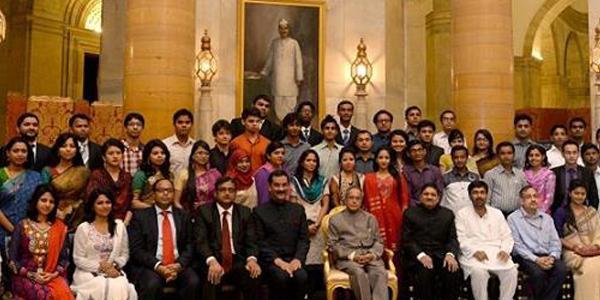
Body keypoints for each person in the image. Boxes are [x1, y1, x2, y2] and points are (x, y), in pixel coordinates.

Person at [127, 178, 200, 300]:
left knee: (193, 281)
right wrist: (158, 266)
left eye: (169, 191)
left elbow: (190, 244)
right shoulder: (140, 216)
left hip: (178, 265)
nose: (165, 194)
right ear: (153, 194)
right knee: (152, 284)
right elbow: (136, 250)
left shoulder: (184, 216)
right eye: (161, 191)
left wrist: (179, 264)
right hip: (151, 266)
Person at [195, 177, 261, 300]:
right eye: (223, 190)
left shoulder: (245, 212)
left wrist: (252, 259)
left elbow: (251, 241)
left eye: (231, 190)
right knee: (211, 276)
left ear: (235, 193)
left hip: (238, 260)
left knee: (253, 274)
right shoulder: (204, 211)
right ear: (215, 193)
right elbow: (201, 242)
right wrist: (212, 261)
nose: (227, 193)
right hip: (214, 258)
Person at [455, 181, 518, 300]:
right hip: (473, 255)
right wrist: (474, 251)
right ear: (469, 196)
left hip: (496, 253)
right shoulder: (461, 214)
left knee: (511, 271)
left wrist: (505, 250)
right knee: (479, 272)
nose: (479, 196)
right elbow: (460, 238)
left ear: (487, 195)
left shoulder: (497, 213)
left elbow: (507, 236)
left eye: (482, 192)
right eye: (475, 193)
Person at [8, 185, 72, 300]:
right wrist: (30, 274)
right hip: (24, 276)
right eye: (43, 200)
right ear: (35, 201)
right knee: (44, 295)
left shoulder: (60, 228)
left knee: (62, 290)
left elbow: (64, 259)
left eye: (51, 202)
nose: (47, 204)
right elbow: (12, 259)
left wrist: (53, 274)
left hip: (51, 276)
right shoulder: (22, 225)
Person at [71, 189, 137, 300]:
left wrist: (114, 266)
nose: (105, 206)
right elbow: (78, 259)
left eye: (108, 202)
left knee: (121, 285)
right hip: (87, 272)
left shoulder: (119, 227)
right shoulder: (84, 228)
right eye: (100, 203)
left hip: (113, 270)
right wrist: (101, 267)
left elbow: (124, 254)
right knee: (103, 284)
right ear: (93, 206)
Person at [254, 170, 309, 300]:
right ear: (269, 187)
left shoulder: (298, 209)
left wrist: (297, 259)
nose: (281, 189)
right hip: (272, 262)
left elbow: (304, 240)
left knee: (302, 277)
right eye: (277, 185)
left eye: (284, 185)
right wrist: (278, 261)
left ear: (289, 187)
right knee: (281, 277)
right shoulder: (259, 212)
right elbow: (260, 242)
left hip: (294, 259)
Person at [507, 186, 568, 300]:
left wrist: (552, 257)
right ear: (522, 201)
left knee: (561, 269)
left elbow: (555, 242)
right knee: (538, 274)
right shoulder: (513, 218)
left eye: (535, 196)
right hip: (526, 256)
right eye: (528, 197)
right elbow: (517, 246)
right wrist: (537, 260)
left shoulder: (547, 218)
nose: (533, 199)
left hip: (547, 255)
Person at [327, 187, 389, 300]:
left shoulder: (370, 218)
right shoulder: (335, 220)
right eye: (351, 198)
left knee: (380, 272)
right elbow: (333, 245)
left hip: (370, 257)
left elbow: (379, 241)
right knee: (359, 273)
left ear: (361, 201)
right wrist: (352, 256)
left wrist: (372, 254)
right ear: (345, 200)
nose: (354, 201)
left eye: (357, 198)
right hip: (348, 259)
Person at [401, 184, 461, 300]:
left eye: (433, 195)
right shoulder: (410, 213)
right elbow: (407, 240)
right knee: (424, 272)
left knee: (452, 271)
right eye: (426, 194)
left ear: (438, 198)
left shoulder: (447, 214)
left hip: (441, 255)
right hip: (418, 256)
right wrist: (421, 255)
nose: (429, 197)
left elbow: (452, 238)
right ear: (420, 197)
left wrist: (450, 254)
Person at [559, 180, 600, 300]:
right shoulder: (561, 212)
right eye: (576, 193)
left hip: (594, 250)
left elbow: (598, 232)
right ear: (570, 193)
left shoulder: (592, 212)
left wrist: (594, 246)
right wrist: (576, 247)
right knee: (589, 267)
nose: (580, 196)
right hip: (572, 252)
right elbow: (558, 237)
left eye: (583, 194)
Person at [41, 133, 90, 230]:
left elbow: (87, 196)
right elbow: (43, 196)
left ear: (76, 150)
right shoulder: (47, 171)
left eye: (72, 146)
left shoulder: (84, 172)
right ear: (58, 150)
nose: (68, 149)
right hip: (51, 215)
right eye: (64, 146)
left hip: (79, 217)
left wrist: (73, 207)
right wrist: (56, 211)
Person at [0, 137, 42, 250]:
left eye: (24, 151)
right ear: (8, 153)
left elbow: (40, 203)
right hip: (2, 230)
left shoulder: (35, 177)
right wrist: (13, 230)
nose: (20, 154)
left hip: (29, 231)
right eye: (16, 151)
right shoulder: (0, 175)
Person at [363, 146, 409, 251]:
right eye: (380, 157)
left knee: (395, 247)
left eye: (386, 158)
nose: (383, 160)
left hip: (394, 216)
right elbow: (365, 201)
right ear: (376, 159)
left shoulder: (398, 177)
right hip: (374, 216)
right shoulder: (368, 178)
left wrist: (403, 215)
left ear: (391, 160)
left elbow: (404, 198)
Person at [290, 150, 330, 269]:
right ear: (302, 162)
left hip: (319, 223)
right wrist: (305, 226)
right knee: (304, 258)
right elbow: (293, 206)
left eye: (314, 161)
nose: (311, 163)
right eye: (308, 160)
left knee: (319, 259)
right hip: (300, 223)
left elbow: (325, 204)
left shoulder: (322, 181)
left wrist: (317, 224)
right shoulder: (294, 181)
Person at [260, 18, 304, 120]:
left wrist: (299, 76)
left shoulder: (294, 43)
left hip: (291, 79)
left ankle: (288, 122)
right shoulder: (275, 43)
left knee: (290, 102)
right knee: (278, 102)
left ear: (288, 30)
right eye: (281, 28)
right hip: (278, 79)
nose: (283, 31)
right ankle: (280, 122)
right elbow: (270, 59)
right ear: (278, 30)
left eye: (285, 28)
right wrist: (265, 72)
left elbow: (298, 61)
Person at [551, 140, 599, 226]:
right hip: (560, 214)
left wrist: (589, 214)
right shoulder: (554, 172)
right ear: (562, 154)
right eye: (568, 153)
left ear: (578, 154)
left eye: (574, 152)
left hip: (582, 214)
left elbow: (594, 197)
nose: (571, 156)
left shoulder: (587, 172)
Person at [86, 139, 133, 222]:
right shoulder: (97, 175)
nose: (115, 156)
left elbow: (130, 203)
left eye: (118, 153)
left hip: (125, 221)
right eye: (111, 153)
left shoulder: (127, 177)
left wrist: (125, 223)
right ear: (104, 157)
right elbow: (92, 200)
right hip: (100, 220)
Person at [174, 140, 221, 212]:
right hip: (191, 214)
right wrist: (185, 215)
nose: (203, 156)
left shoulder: (215, 174)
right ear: (193, 156)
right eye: (200, 153)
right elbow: (176, 202)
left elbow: (221, 197)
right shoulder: (184, 174)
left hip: (212, 214)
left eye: (206, 154)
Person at [484, 142, 528, 215]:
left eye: (509, 153)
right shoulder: (490, 174)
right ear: (498, 156)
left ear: (514, 155)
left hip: (517, 215)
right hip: (497, 215)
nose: (506, 156)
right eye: (503, 153)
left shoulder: (521, 174)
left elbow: (525, 196)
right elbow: (486, 199)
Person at [131, 139, 172, 210]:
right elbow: (134, 203)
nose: (160, 156)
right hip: (147, 212)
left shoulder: (169, 175)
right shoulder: (141, 175)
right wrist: (154, 209)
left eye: (162, 153)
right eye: (155, 153)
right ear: (148, 156)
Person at [230, 108, 271, 173]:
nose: (255, 124)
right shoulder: (235, 142)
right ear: (243, 122)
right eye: (251, 121)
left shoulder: (267, 143)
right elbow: (232, 166)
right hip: (241, 180)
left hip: (261, 179)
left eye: (257, 121)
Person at [403, 140, 444, 205]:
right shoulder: (405, 171)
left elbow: (439, 192)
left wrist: (430, 205)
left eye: (420, 150)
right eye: (413, 151)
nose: (417, 153)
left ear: (425, 152)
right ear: (408, 154)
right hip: (413, 209)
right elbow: (406, 195)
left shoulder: (435, 170)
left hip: (433, 208)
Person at [441, 145, 480, 214]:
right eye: (456, 157)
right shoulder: (445, 177)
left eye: (462, 157)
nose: (459, 160)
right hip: (452, 216)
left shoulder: (475, 177)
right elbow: (442, 199)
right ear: (452, 159)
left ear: (467, 158)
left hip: (471, 215)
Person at [523, 144, 555, 213]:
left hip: (543, 212)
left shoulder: (549, 175)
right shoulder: (523, 173)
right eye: (531, 155)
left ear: (543, 157)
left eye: (537, 155)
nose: (533, 158)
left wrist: (539, 212)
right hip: (525, 212)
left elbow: (549, 198)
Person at [162, 109, 195, 174]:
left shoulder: (195, 145)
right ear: (174, 124)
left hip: (191, 183)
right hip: (170, 183)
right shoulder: (165, 145)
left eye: (187, 122)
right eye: (180, 122)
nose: (184, 125)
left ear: (192, 124)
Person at [311, 115, 342, 179]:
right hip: (319, 187)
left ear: (336, 132)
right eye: (327, 128)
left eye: (333, 128)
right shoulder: (314, 151)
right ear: (322, 131)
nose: (330, 131)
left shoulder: (342, 150)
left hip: (338, 187)